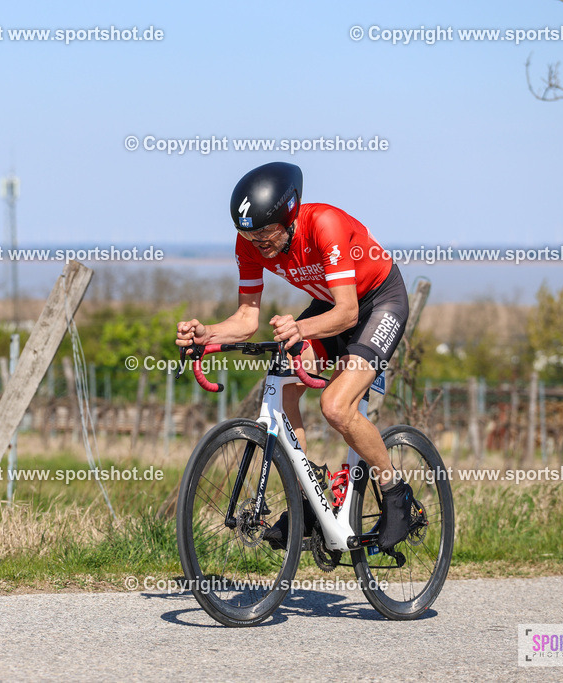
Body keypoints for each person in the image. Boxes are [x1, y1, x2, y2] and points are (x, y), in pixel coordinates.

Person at [175, 161, 414, 550]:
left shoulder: (325, 225)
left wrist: (300, 329)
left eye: (267, 231)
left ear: (290, 216)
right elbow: (247, 318)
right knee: (283, 388)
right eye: (248, 234)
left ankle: (396, 494)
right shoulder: (251, 243)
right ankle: (307, 498)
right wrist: (208, 332)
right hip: (328, 306)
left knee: (336, 407)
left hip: (376, 303)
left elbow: (349, 313)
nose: (258, 242)